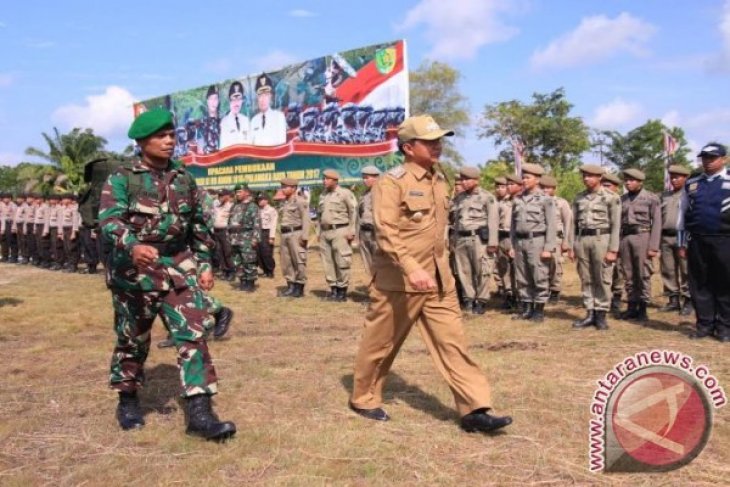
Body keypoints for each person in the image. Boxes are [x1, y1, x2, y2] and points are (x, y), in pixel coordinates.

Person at [349, 115, 512, 433]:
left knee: (454, 343)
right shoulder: (391, 182)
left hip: (439, 279)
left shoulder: (439, 179)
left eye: (440, 140)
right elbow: (386, 232)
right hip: (399, 280)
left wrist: (437, 271)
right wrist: (411, 268)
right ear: (409, 147)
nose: (438, 145)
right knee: (381, 343)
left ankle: (474, 408)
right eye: (430, 141)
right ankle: (364, 398)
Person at [99, 109, 235, 440]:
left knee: (193, 335)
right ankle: (128, 399)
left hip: (176, 268)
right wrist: (131, 245)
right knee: (133, 339)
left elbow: (199, 227)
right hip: (135, 273)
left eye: (172, 135)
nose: (169, 140)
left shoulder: (184, 179)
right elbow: (109, 220)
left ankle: (200, 414)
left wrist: (203, 265)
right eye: (161, 136)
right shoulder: (122, 178)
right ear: (142, 141)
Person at [678, 142, 730, 342]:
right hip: (698, 241)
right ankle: (704, 324)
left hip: (724, 240)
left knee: (725, 283)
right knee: (700, 283)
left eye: (712, 157)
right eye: (704, 157)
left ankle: (724, 327)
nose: (707, 161)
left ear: (723, 159)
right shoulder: (692, 183)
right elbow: (682, 215)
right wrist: (682, 243)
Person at [570, 165, 621, 330]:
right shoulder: (579, 198)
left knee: (602, 277)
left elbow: (616, 225)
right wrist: (571, 245)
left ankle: (601, 314)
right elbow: (573, 224)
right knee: (586, 277)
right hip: (583, 239)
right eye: (584, 176)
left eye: (590, 176)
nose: (586, 179)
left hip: (602, 239)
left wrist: (613, 249)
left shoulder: (611, 197)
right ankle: (589, 312)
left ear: (600, 178)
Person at [509, 163, 556, 322]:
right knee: (522, 276)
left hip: (537, 240)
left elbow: (551, 225)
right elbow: (513, 225)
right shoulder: (518, 199)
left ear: (537, 179)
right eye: (523, 177)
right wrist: (512, 245)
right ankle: (526, 308)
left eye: (527, 177)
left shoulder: (545, 199)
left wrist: (548, 247)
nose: (524, 180)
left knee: (539, 275)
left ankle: (539, 309)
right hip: (520, 241)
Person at [451, 166, 498, 314]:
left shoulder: (487, 197)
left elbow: (493, 221)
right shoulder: (459, 198)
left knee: (482, 271)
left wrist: (492, 242)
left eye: (467, 179)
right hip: (461, 238)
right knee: (464, 271)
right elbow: (456, 220)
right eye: (462, 179)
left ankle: (481, 300)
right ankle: (469, 298)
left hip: (478, 239)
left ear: (476, 180)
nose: (463, 182)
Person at [618, 168, 661, 322]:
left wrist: (653, 246)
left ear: (640, 182)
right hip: (625, 238)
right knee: (628, 274)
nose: (628, 182)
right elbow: (618, 223)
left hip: (643, 236)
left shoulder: (651, 198)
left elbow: (657, 222)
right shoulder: (622, 199)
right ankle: (631, 306)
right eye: (626, 180)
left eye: (632, 180)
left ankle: (643, 308)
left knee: (643, 273)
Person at [318, 169, 357, 301]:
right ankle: (333, 289)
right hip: (325, 232)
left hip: (340, 230)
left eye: (327, 179)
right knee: (327, 262)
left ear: (335, 180)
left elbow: (353, 212)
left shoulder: (345, 193)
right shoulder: (323, 195)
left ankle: (342, 291)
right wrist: (319, 232)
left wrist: (352, 231)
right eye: (323, 179)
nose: (324, 181)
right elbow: (319, 215)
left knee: (342, 260)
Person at [660, 165, 692, 316]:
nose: (674, 180)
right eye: (672, 177)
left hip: (684, 237)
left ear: (685, 178)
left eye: (677, 177)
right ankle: (673, 300)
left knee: (686, 270)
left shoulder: (690, 194)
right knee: (668, 269)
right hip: (666, 236)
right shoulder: (665, 196)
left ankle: (688, 300)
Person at [539, 175, 574, 304]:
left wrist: (566, 241)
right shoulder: (537, 201)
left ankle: (555, 290)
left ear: (555, 189)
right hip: (541, 237)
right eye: (542, 187)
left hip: (556, 238)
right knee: (541, 265)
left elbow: (568, 223)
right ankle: (543, 289)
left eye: (548, 188)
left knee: (555, 265)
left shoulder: (561, 202)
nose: (545, 190)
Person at [277, 177, 310, 298]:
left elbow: (306, 219)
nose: (283, 189)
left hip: (296, 234)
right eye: (282, 187)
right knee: (286, 261)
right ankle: (290, 286)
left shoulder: (300, 201)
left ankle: (299, 287)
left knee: (298, 261)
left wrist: (305, 236)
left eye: (285, 187)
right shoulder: (285, 202)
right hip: (285, 234)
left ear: (294, 188)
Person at [229, 183, 260, 292]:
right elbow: (230, 221)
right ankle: (242, 281)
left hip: (247, 237)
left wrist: (255, 238)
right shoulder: (235, 206)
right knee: (237, 261)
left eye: (239, 192)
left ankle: (250, 283)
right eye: (236, 192)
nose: (237, 194)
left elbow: (257, 223)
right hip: (234, 238)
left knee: (248, 260)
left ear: (247, 192)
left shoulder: (253, 206)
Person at [601, 173, 625, 313]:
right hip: (604, 239)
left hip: (620, 239)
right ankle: (604, 297)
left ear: (616, 187)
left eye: (608, 186)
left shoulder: (621, 200)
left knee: (618, 269)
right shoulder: (603, 201)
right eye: (603, 185)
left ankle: (617, 296)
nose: (605, 188)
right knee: (605, 269)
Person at [250, 74, 287, 146]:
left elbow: (282, 144)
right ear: (257, 98)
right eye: (260, 95)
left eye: (266, 94)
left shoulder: (279, 117)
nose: (263, 99)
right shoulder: (254, 120)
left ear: (270, 96)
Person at [358, 165, 381, 275]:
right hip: (364, 232)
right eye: (363, 177)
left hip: (376, 233)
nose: (364, 180)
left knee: (380, 262)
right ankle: (373, 288)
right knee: (368, 263)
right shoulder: (364, 194)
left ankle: (382, 289)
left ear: (376, 177)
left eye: (367, 177)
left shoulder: (383, 192)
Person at [219, 81, 250, 148]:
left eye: (239, 99)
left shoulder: (246, 120)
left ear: (242, 100)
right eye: (234, 99)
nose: (236, 103)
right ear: (229, 101)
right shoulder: (224, 123)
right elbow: (223, 149)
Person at [212, 188, 235, 281]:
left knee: (227, 252)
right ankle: (225, 271)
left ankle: (232, 271)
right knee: (219, 251)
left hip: (225, 231)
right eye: (219, 195)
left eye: (222, 195)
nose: (219, 197)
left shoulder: (231, 206)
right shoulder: (217, 206)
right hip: (217, 231)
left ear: (227, 196)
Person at [257, 192, 278, 278]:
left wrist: (272, 237)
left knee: (267, 253)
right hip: (259, 232)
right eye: (258, 200)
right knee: (260, 253)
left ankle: (270, 271)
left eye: (261, 199)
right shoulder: (258, 210)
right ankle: (265, 270)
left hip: (267, 232)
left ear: (266, 200)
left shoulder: (271, 210)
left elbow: (273, 224)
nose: (259, 201)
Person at [198, 85, 220, 154]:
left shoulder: (224, 121)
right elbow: (200, 149)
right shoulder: (201, 123)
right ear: (207, 101)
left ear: (218, 101)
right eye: (211, 98)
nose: (213, 101)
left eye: (215, 98)